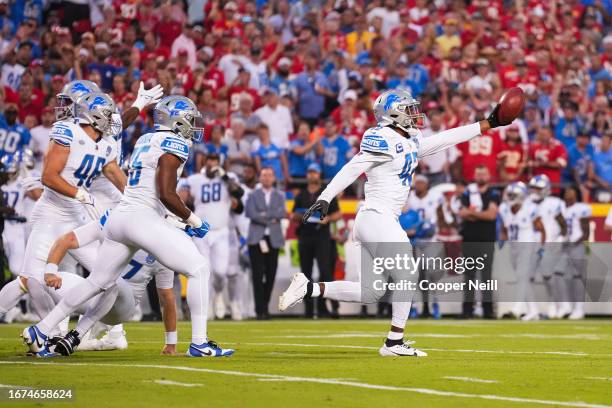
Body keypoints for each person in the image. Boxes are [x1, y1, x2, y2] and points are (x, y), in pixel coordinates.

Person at [278, 88, 518, 356]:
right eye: (408, 109)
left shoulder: (409, 139)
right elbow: (353, 167)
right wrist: (325, 196)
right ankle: (393, 342)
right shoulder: (381, 137)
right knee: (407, 273)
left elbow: (443, 140)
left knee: (372, 292)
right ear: (392, 114)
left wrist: (488, 124)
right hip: (376, 216)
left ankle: (309, 288)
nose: (415, 114)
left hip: (378, 220)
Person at [22, 96, 234, 358]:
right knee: (199, 269)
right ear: (177, 120)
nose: (192, 125)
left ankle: (40, 330)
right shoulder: (176, 142)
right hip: (142, 219)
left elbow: (153, 190)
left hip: (120, 217)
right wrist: (194, 220)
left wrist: (177, 219)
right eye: (189, 119)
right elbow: (167, 194)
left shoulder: (147, 138)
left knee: (97, 282)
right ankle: (199, 343)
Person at [178, 153, 244, 320]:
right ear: (204, 163)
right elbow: (181, 198)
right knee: (204, 269)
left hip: (222, 231)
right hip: (202, 231)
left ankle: (219, 294)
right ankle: (206, 305)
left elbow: (239, 192)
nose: (211, 166)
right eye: (209, 163)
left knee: (221, 272)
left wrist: (224, 177)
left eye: (215, 163)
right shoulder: (194, 179)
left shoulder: (228, 179)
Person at [292, 163, 341, 318]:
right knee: (305, 273)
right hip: (305, 235)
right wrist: (300, 216)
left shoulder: (326, 193)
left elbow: (338, 214)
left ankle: (324, 307)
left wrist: (327, 219)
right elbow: (293, 214)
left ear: (319, 175)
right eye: (310, 172)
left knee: (325, 271)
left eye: (315, 172)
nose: (312, 175)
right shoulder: (301, 195)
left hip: (322, 236)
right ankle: (308, 310)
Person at [498, 182, 546, 321]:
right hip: (513, 247)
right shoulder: (504, 208)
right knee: (522, 279)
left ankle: (518, 307)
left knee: (521, 275)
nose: (511, 197)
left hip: (528, 246)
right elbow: (504, 228)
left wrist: (541, 247)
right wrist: (502, 240)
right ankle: (533, 311)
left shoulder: (530, 208)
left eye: (514, 195)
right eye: (510, 194)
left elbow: (541, 229)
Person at [458, 165, 500, 319]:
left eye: (484, 173)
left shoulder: (493, 193)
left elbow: (491, 215)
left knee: (486, 276)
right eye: (478, 174)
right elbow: (463, 213)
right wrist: (479, 214)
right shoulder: (468, 192)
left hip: (486, 238)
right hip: (469, 238)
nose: (481, 176)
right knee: (469, 276)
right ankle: (467, 310)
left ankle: (487, 310)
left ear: (489, 176)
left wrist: (472, 213)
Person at [245, 167, 286, 320]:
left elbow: (282, 213)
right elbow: (250, 213)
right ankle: (259, 310)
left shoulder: (280, 195)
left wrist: (262, 215)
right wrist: (270, 218)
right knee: (257, 275)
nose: (267, 178)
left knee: (271, 274)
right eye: (264, 175)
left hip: (273, 239)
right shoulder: (252, 194)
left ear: (274, 178)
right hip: (257, 239)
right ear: (260, 178)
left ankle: (265, 307)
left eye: (269, 175)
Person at [528, 175, 570, 319]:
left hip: (552, 242)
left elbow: (563, 224)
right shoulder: (527, 203)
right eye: (533, 188)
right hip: (533, 245)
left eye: (538, 188)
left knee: (548, 274)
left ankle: (555, 303)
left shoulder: (554, 203)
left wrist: (560, 240)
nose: (534, 191)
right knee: (529, 277)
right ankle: (533, 309)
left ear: (546, 189)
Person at [404, 174, 444, 319]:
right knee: (414, 276)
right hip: (413, 241)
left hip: (430, 240)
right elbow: (403, 216)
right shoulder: (409, 198)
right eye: (417, 183)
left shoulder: (435, 197)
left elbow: (438, 219)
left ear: (427, 185)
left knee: (432, 276)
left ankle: (434, 305)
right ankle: (414, 307)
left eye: (421, 183)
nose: (419, 185)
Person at [561, 186, 591, 320]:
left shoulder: (581, 208)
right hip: (563, 245)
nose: (568, 192)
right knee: (566, 278)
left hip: (576, 244)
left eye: (571, 190)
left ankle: (579, 308)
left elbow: (586, 231)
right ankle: (569, 307)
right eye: (567, 190)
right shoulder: (560, 207)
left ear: (576, 193)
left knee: (578, 278)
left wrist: (577, 243)